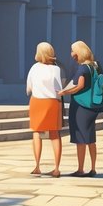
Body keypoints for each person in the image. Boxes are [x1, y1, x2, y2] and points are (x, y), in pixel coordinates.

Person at [57, 40, 103, 177]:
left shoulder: (82, 68)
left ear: (79, 52)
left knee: (81, 138)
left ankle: (80, 168)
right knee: (90, 138)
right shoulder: (94, 66)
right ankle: (93, 168)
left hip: (81, 106)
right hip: (92, 106)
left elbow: (80, 86)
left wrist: (65, 92)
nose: (71, 54)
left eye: (73, 51)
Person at [26, 41, 64, 177]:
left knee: (37, 133)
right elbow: (59, 89)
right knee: (55, 134)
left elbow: (28, 88)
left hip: (36, 102)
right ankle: (57, 168)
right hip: (52, 103)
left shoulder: (34, 68)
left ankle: (37, 166)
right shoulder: (56, 69)